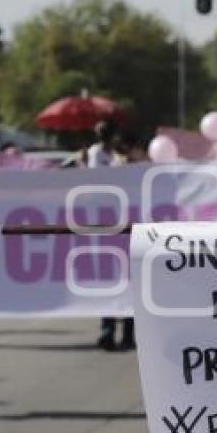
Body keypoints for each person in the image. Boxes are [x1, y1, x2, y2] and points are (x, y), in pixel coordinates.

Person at [86, 120, 133, 351]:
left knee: (128, 279)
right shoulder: (96, 154)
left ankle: (128, 332)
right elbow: (101, 180)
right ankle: (108, 331)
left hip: (124, 222)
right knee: (112, 281)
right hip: (106, 223)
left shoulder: (119, 155)